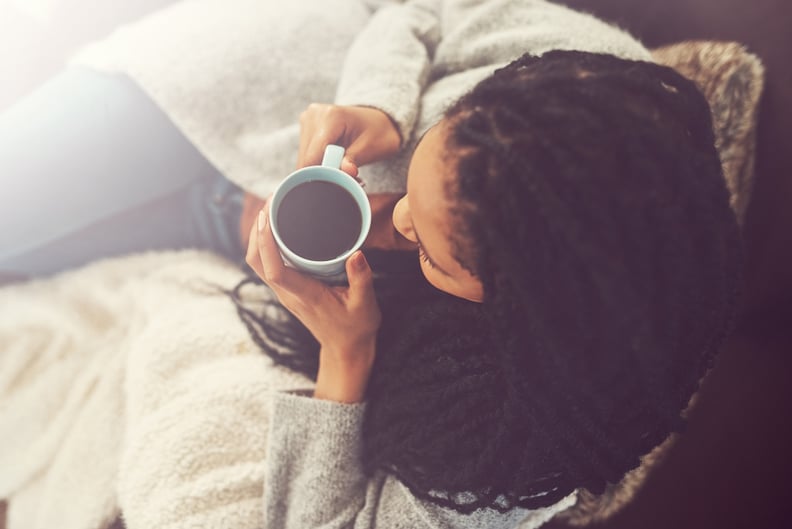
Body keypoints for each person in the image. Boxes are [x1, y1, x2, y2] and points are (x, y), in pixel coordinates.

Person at [0, 1, 741, 527]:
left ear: (525, 310)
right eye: (428, 156)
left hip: (219, 234)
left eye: (429, 249)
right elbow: (422, 9)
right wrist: (379, 106)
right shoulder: (582, 87)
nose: (392, 216)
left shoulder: (514, 443)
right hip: (228, 97)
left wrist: (344, 355)